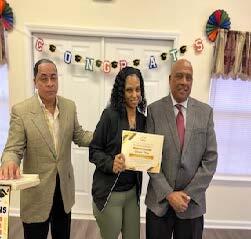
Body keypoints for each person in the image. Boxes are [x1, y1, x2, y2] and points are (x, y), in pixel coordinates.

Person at [0, 59, 92, 239]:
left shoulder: (69, 106)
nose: (50, 84)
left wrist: (106, 136)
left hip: (63, 190)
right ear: (35, 81)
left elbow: (79, 135)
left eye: (53, 78)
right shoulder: (22, 111)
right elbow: (13, 148)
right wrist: (9, 161)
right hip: (36, 193)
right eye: (44, 79)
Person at [145, 59, 218, 239]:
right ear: (170, 79)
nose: (184, 81)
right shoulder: (154, 111)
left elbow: (210, 160)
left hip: (191, 205)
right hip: (159, 202)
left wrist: (186, 195)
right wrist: (169, 194)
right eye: (179, 76)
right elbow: (150, 159)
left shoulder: (205, 112)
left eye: (188, 78)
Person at [89, 66, 147, 239]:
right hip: (109, 193)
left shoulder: (143, 120)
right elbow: (94, 150)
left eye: (138, 89)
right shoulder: (109, 116)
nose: (134, 95)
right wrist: (110, 162)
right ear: (121, 91)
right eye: (129, 90)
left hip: (132, 193)